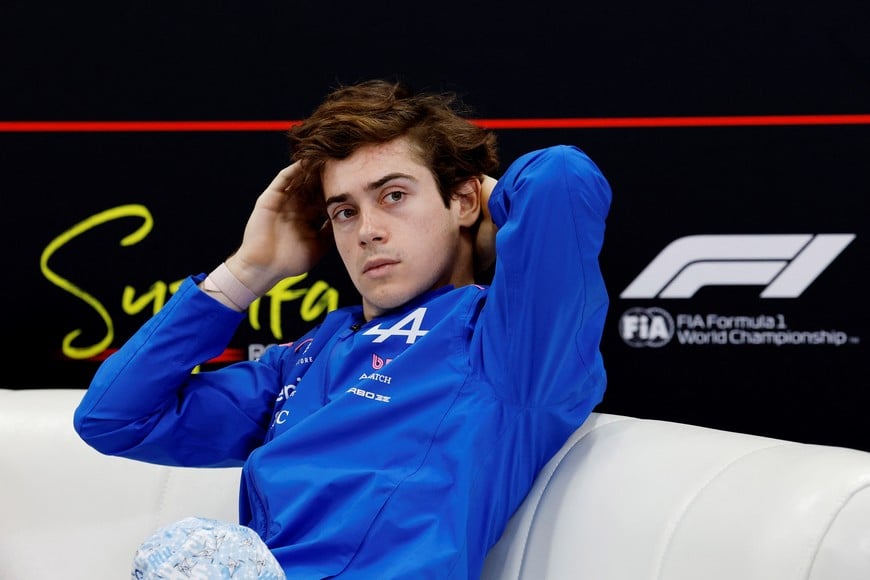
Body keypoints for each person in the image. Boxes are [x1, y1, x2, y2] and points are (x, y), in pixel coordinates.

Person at [73, 79, 612, 579]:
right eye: (344, 212)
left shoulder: (506, 344)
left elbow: (562, 177)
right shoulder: (308, 354)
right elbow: (113, 417)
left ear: (464, 200)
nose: (368, 231)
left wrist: (481, 196)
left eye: (394, 195)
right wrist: (248, 272)